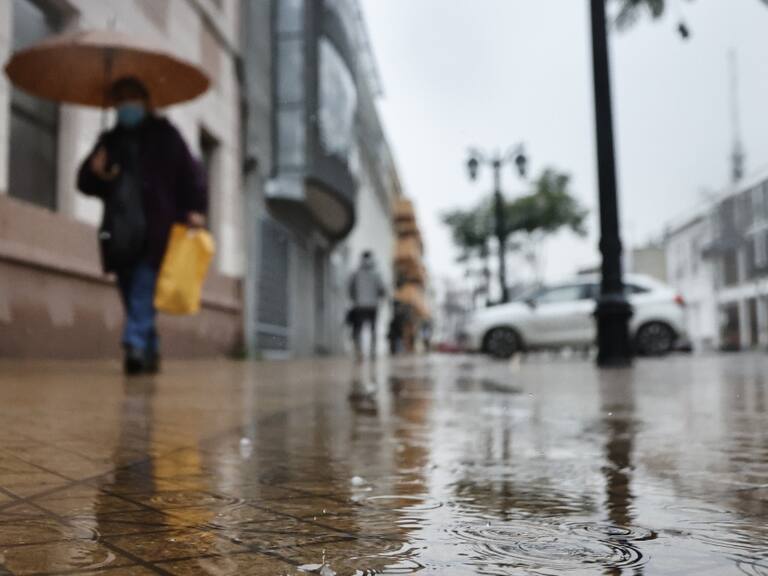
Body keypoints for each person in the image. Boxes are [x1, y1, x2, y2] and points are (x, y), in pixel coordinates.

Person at [77, 77, 207, 375]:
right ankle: (150, 347)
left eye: (132, 97)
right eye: (120, 99)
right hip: (119, 232)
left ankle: (133, 345)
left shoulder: (166, 136)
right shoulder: (109, 140)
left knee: (143, 290)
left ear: (146, 101)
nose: (126, 105)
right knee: (130, 291)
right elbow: (84, 183)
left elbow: (193, 174)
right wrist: (95, 172)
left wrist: (196, 209)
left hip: (156, 231)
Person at [348, 251, 387, 360]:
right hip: (373, 306)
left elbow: (350, 288)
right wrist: (379, 298)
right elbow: (382, 290)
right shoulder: (376, 273)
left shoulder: (356, 273)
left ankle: (359, 351)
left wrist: (355, 299)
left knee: (358, 329)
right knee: (373, 330)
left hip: (359, 305)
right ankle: (372, 352)